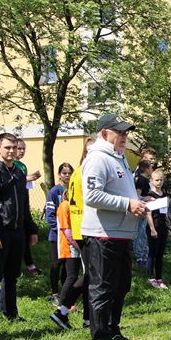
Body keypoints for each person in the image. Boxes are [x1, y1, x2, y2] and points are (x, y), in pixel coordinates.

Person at [82, 114, 146, 340]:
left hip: (120, 233)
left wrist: (139, 202)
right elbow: (92, 196)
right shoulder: (97, 158)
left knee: (120, 285)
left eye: (126, 132)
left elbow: (121, 193)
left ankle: (112, 329)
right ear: (104, 133)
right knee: (103, 287)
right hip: (103, 234)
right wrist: (127, 204)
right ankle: (101, 339)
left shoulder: (119, 158)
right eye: (120, 132)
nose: (124, 136)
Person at [0, 133, 39, 325]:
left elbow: (24, 203)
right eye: (7, 147)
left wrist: (31, 229)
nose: (11, 151)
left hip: (17, 231)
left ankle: (10, 313)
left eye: (14, 147)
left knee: (12, 275)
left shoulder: (19, 173)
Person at [66, 136, 96, 329]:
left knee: (90, 274)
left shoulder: (79, 170)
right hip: (86, 228)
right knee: (90, 275)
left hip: (81, 226)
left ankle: (87, 317)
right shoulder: (85, 171)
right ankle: (62, 308)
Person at [49, 189, 85, 330]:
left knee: (73, 276)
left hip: (74, 246)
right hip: (68, 246)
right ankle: (62, 306)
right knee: (71, 276)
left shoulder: (73, 206)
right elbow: (66, 230)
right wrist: (78, 245)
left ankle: (66, 306)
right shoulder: (65, 205)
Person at [45, 162, 73, 305]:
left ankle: (65, 293)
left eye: (69, 173)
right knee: (56, 264)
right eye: (64, 173)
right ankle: (54, 292)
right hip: (57, 235)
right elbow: (49, 215)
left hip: (71, 236)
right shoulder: (54, 191)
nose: (67, 176)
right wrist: (61, 229)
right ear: (59, 174)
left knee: (68, 266)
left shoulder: (73, 190)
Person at [14, 138, 42, 276]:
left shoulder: (22, 165)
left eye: (23, 148)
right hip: (13, 205)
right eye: (19, 148)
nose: (21, 151)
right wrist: (27, 178)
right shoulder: (11, 164)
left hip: (23, 200)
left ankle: (29, 264)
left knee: (25, 234)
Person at [145, 169, 169, 289]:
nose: (159, 182)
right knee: (152, 253)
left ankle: (159, 278)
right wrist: (152, 229)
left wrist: (168, 227)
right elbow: (148, 213)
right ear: (152, 181)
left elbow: (166, 212)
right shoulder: (150, 195)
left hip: (163, 226)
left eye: (161, 180)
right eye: (157, 180)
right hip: (154, 226)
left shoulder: (164, 195)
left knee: (160, 254)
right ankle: (150, 277)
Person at [133, 159, 154, 269]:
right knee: (141, 233)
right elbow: (137, 196)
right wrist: (145, 198)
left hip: (148, 210)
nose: (152, 169)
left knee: (145, 234)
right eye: (151, 167)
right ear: (146, 169)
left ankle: (145, 256)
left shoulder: (147, 180)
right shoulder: (141, 180)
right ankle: (139, 257)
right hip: (142, 210)